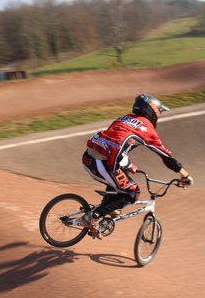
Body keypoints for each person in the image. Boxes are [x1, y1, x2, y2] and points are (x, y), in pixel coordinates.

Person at [81, 93, 194, 239]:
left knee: (120, 176)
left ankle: (110, 206)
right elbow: (167, 157)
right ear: (152, 111)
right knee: (132, 193)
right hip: (101, 165)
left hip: (88, 158)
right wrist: (184, 174)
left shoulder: (123, 119)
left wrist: (129, 165)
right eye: (158, 114)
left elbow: (113, 145)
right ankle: (94, 215)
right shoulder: (147, 129)